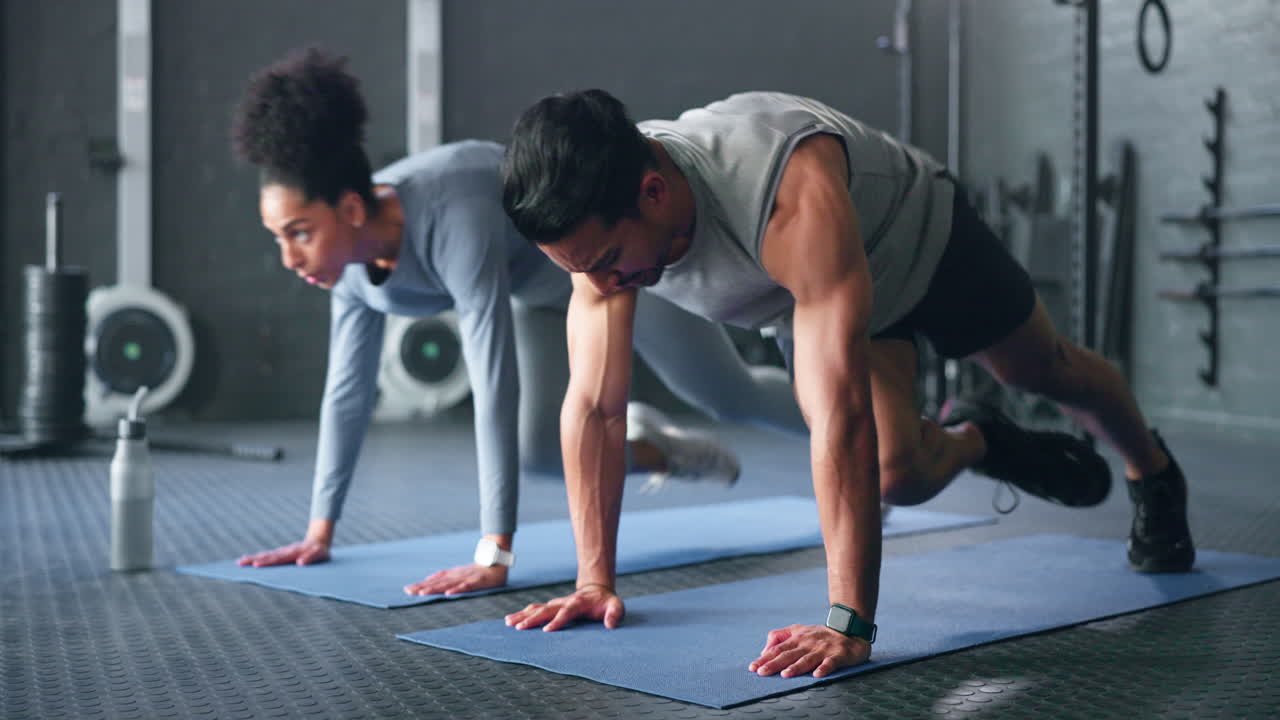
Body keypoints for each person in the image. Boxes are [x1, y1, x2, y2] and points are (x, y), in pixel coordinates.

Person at [499, 89, 1195, 679]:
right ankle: (980, 437)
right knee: (896, 474)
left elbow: (839, 416)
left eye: (607, 263)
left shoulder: (781, 190)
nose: (597, 287)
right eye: (578, 269)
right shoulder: (599, 233)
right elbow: (593, 408)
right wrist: (595, 582)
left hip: (922, 239)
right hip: (821, 294)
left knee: (1040, 369)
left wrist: (849, 622)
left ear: (653, 193)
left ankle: (1154, 472)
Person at [228, 50, 808, 597]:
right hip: (542, 295)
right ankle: (667, 453)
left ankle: (850, 427)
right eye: (277, 237)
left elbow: (492, 377)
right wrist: (319, 531)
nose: (289, 258)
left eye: (299, 233)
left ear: (350, 210)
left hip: (614, 271)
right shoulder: (347, 271)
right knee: (539, 454)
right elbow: (346, 393)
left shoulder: (451, 206)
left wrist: (494, 553)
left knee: (729, 397)